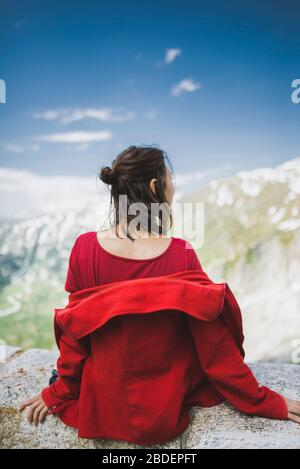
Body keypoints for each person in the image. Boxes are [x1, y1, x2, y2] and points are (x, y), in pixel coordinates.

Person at [19, 145, 300, 437]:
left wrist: (57, 392)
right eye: (170, 179)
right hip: (164, 409)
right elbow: (215, 349)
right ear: (155, 186)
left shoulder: (84, 249)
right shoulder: (182, 254)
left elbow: (75, 338)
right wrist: (263, 401)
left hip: (105, 404)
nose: (173, 187)